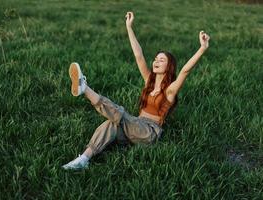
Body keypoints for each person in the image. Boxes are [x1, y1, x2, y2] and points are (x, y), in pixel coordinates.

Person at [62, 11, 210, 170]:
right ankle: (84, 159)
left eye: (162, 60)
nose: (156, 61)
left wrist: (202, 48)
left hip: (149, 132)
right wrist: (129, 27)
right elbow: (138, 55)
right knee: (111, 123)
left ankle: (84, 88)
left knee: (120, 115)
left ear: (169, 66)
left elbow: (185, 71)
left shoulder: (170, 91)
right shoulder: (149, 82)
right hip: (135, 127)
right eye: (156, 59)